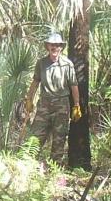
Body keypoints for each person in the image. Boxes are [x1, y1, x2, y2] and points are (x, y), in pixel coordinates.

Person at [24, 31, 81, 165]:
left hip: (62, 105)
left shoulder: (67, 64)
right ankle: (29, 165)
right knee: (36, 136)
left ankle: (55, 169)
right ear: (48, 47)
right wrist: (29, 100)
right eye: (52, 45)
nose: (54, 48)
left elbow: (73, 85)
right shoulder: (41, 63)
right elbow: (35, 83)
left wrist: (77, 105)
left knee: (59, 139)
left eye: (57, 45)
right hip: (44, 104)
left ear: (61, 47)